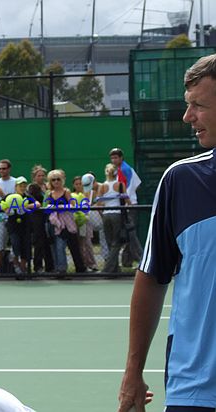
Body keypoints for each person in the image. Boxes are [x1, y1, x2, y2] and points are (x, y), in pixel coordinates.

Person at [118, 54, 216, 412]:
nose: (187, 117)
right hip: (195, 391)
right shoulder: (181, 181)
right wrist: (133, 372)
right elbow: (152, 278)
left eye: (197, 106)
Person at [109, 147, 143, 267]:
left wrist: (128, 201)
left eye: (116, 157)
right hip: (126, 204)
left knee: (131, 234)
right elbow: (137, 184)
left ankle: (141, 260)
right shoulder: (120, 169)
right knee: (127, 234)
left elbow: (127, 188)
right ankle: (127, 261)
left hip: (128, 206)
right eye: (112, 158)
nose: (114, 160)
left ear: (121, 158)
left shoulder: (124, 169)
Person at [97, 163, 129, 273]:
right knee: (116, 242)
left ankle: (115, 269)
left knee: (110, 241)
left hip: (106, 215)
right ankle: (108, 269)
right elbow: (127, 201)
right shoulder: (120, 185)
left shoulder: (102, 186)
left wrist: (103, 213)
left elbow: (99, 204)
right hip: (117, 215)